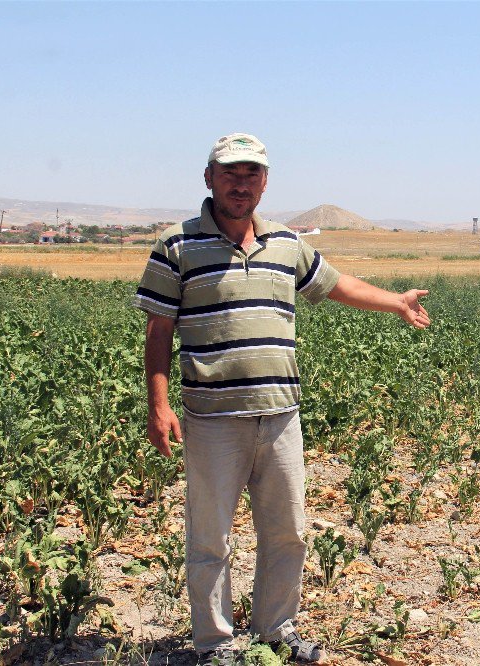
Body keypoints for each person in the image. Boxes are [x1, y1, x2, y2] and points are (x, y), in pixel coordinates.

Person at [133, 133, 430, 665]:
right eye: (230, 173)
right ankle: (215, 645)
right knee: (210, 538)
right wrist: (159, 406)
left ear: (265, 183)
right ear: (208, 178)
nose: (240, 183)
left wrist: (396, 302)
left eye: (251, 174)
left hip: (280, 415)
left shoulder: (287, 243)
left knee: (287, 531)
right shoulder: (177, 245)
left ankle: (275, 630)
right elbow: (159, 332)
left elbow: (335, 284)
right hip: (212, 418)